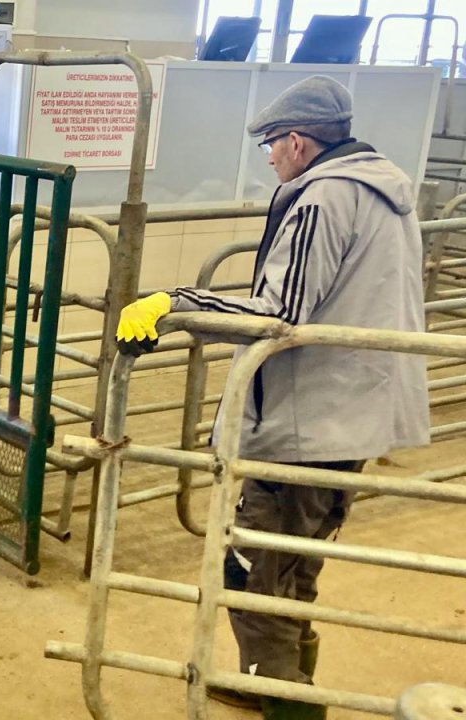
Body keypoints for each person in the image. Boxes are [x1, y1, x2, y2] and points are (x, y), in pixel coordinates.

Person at [115, 75, 429, 719]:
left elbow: (279, 311)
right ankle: (280, 680)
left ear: (296, 141)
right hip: (353, 415)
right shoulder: (386, 192)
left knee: (252, 569)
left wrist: (177, 302)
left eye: (267, 145)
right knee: (292, 566)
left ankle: (290, 702)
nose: (267, 158)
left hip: (308, 418)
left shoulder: (322, 198)